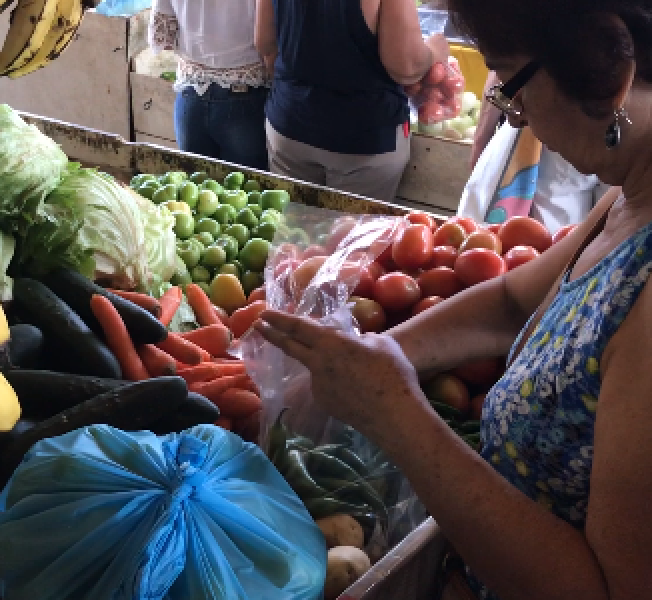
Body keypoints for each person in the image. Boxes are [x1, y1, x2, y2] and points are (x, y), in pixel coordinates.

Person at [254, 1, 652, 598]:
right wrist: (380, 356)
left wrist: (398, 416)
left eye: (513, 90)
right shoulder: (627, 199)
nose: (518, 121)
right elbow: (512, 304)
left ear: (609, 75)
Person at [254, 0, 449, 201]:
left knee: (294, 225)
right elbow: (406, 67)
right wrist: (434, 51)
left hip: (290, 123)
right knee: (353, 231)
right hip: (364, 139)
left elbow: (265, 44)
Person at [459, 70, 610, 234]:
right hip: (515, 149)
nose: (514, 120)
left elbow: (608, 223)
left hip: (559, 238)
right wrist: (482, 139)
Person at [148, 0, 269, 170]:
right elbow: (269, 42)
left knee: (196, 190)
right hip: (245, 94)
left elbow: (165, 37)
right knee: (249, 190)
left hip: (191, 94)